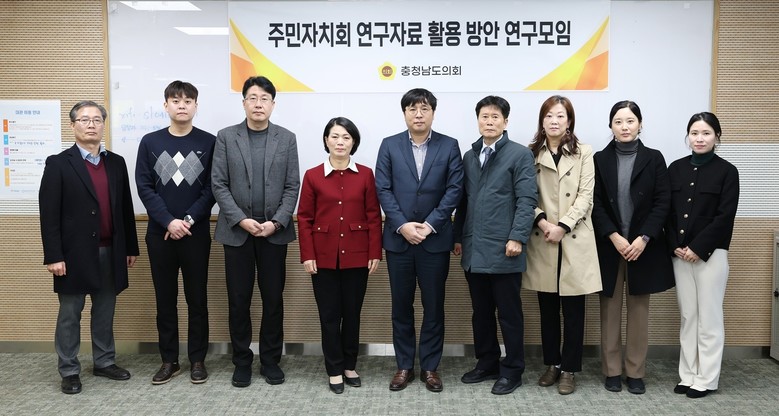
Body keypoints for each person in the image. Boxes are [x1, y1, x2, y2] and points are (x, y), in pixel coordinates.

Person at [39, 101, 139, 395]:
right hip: (73, 255)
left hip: (111, 250)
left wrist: (129, 247)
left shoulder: (116, 162)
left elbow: (125, 208)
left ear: (103, 125)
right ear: (73, 126)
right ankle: (69, 370)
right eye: (84, 119)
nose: (91, 124)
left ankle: (104, 362)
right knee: (70, 314)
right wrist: (54, 255)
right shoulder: (58, 163)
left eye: (97, 119)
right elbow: (49, 214)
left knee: (105, 310)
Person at [211, 76, 300, 388]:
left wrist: (277, 221)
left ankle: (271, 360)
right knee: (239, 300)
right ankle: (242, 361)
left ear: (273, 104)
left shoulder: (286, 138)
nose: (258, 103)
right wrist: (240, 219)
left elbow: (292, 186)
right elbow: (219, 183)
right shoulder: (226, 137)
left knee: (273, 299)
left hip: (274, 233)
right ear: (244, 103)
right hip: (237, 233)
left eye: (264, 98)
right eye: (252, 97)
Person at [374, 88, 463, 393]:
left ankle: (430, 367)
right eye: (412, 109)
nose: (418, 114)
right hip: (399, 241)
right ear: (405, 113)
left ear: (433, 113)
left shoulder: (449, 145)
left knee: (433, 306)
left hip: (434, 241)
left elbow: (454, 189)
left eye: (424, 108)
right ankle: (403, 366)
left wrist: (429, 225)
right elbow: (383, 189)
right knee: (401, 306)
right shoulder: (389, 145)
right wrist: (402, 225)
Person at [453, 95, 537, 395]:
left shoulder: (520, 155)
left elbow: (527, 200)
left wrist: (517, 237)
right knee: (481, 312)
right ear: (478, 120)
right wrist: (458, 237)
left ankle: (513, 370)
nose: (489, 122)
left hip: (505, 248)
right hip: (474, 249)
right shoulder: (469, 155)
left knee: (509, 314)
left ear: (505, 121)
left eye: (495, 117)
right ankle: (487, 362)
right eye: (484, 117)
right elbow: (464, 201)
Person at [591, 100, 675, 394]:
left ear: (640, 124)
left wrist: (644, 238)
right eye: (618, 121)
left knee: (639, 314)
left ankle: (635, 372)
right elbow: (595, 204)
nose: (624, 127)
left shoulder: (654, 158)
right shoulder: (599, 159)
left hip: (643, 248)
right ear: (610, 126)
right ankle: (612, 371)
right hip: (610, 246)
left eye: (630, 121)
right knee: (609, 312)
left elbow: (663, 202)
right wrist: (614, 236)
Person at [135, 81, 216, 385]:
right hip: (160, 234)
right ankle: (169, 360)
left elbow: (212, 188)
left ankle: (197, 360)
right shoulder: (150, 142)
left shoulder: (209, 142)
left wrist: (188, 220)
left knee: (197, 300)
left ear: (196, 105)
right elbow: (144, 186)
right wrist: (169, 221)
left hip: (195, 234)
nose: (182, 105)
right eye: (176, 100)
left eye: (188, 101)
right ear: (165, 105)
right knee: (165, 300)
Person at [523, 95, 602, 395]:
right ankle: (552, 364)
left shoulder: (584, 152)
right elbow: (525, 194)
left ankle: (569, 369)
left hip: (574, 236)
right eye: (549, 116)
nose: (554, 121)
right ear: (541, 121)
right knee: (547, 309)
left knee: (574, 311)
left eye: (560, 116)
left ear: (569, 121)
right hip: (543, 237)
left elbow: (586, 196)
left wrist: (563, 225)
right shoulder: (531, 153)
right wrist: (544, 223)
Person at [297, 117, 382, 394]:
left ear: (353, 142)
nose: (340, 142)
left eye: (346, 137)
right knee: (329, 316)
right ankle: (334, 368)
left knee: (352, 314)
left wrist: (375, 252)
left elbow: (373, 216)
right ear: (326, 140)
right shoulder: (312, 175)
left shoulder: (366, 174)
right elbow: (305, 218)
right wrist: (307, 254)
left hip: (358, 255)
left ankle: (349, 365)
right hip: (322, 257)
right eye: (334, 136)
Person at [668, 112, 739, 399]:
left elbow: (725, 217)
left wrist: (697, 248)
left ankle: (706, 379)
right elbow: (667, 212)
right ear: (688, 136)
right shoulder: (676, 168)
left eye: (706, 133)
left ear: (717, 137)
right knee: (689, 316)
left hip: (711, 255)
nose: (699, 138)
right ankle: (687, 375)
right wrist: (674, 244)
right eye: (694, 133)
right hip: (679, 254)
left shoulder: (727, 171)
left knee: (709, 318)